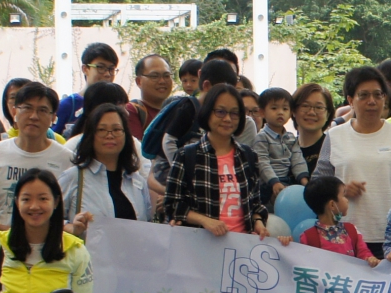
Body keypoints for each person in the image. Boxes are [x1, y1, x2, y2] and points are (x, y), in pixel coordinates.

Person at [158, 84, 275, 241]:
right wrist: (205, 221)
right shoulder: (186, 156)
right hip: (200, 245)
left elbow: (255, 203)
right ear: (207, 112)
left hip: (241, 246)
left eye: (234, 113)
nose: (227, 119)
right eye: (220, 111)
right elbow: (172, 205)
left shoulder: (248, 156)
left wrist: (258, 222)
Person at [315, 66, 391, 250]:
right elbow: (317, 185)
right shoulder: (334, 136)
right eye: (364, 95)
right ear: (351, 100)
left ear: (385, 98)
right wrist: (340, 190)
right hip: (342, 237)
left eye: (378, 95)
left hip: (390, 238)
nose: (372, 101)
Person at [58, 103, 149, 238]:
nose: (110, 135)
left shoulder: (137, 181)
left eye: (116, 129)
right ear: (90, 135)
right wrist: (71, 228)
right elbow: (49, 220)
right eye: (101, 129)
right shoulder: (73, 177)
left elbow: (147, 226)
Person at [0, 83, 76, 198]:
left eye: (42, 110)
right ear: (14, 112)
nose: (34, 116)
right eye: (27, 108)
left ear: (53, 117)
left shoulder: (67, 160)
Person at [298, 174, 382, 262]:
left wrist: (370, 259)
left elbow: (363, 252)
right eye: (343, 195)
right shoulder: (309, 237)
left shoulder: (352, 230)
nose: (347, 200)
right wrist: (288, 244)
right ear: (332, 205)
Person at [55, 43, 119, 134]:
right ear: (85, 69)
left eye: (111, 69)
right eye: (101, 67)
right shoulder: (68, 105)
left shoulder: (118, 104)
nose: (107, 74)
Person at [250, 88, 305, 195]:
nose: (280, 112)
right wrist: (274, 182)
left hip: (288, 180)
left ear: (291, 113)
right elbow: (262, 162)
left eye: (285, 109)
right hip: (267, 183)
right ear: (262, 112)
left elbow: (297, 159)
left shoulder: (291, 137)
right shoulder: (261, 137)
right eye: (274, 108)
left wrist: (304, 181)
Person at [127, 53, 176, 138]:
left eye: (166, 76)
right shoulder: (132, 110)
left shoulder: (177, 110)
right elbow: (138, 145)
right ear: (139, 81)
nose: (162, 81)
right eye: (154, 76)